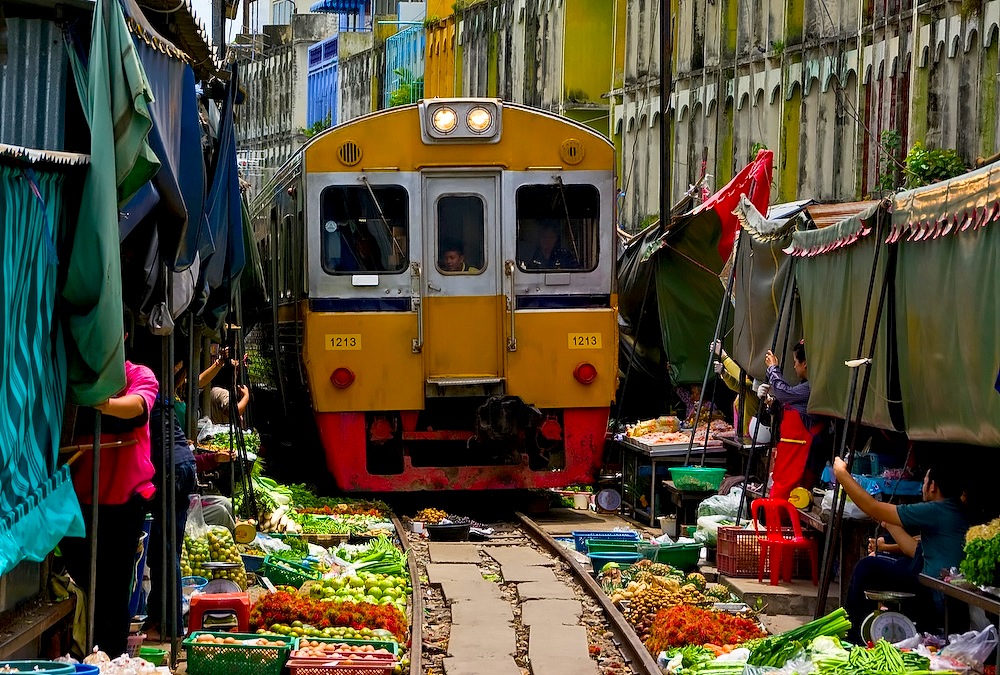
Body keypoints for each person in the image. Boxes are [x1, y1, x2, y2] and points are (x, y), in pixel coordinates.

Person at [61, 355, 158, 657]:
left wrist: (102, 404)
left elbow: (139, 406)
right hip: (80, 503)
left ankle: (111, 659)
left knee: (113, 591)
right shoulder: (69, 375)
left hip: (125, 502)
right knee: (81, 583)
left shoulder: (139, 374)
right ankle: (84, 653)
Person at [836, 458, 970, 641]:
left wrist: (842, 474)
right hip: (936, 585)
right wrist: (890, 525)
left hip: (936, 595)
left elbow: (871, 506)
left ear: (933, 486)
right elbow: (914, 550)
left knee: (866, 568)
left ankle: (852, 637)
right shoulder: (955, 510)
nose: (923, 486)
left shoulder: (936, 510)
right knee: (881, 562)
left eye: (924, 481)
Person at [143, 392, 198, 641]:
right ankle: (158, 616)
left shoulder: (140, 395)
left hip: (170, 469)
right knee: (162, 548)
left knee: (166, 551)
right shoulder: (160, 395)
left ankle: (171, 626)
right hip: (184, 465)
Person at [761, 340, 825, 500]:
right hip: (790, 456)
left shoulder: (811, 387)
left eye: (795, 362)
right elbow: (786, 404)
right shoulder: (803, 386)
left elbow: (784, 394)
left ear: (805, 364)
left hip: (804, 459)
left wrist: (773, 369)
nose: (794, 366)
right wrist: (771, 402)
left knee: (793, 498)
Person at [711, 340, 759, 437]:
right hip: (742, 435)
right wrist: (723, 373)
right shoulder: (745, 389)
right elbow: (735, 385)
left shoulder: (753, 389)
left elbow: (740, 378)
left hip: (751, 438)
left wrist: (723, 356)